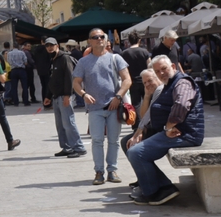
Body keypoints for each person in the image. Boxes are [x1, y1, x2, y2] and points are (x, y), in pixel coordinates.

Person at [126, 55, 204, 205]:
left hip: (186, 134)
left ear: (173, 67)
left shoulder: (182, 83)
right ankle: (162, 186)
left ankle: (154, 193)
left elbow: (181, 105)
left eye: (164, 69)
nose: (161, 73)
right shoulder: (169, 83)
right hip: (174, 131)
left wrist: (168, 127)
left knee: (136, 153)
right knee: (130, 145)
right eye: (158, 71)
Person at [73, 28, 132, 185]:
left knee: (113, 141)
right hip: (94, 108)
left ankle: (112, 170)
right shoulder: (83, 62)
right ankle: (99, 171)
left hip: (114, 106)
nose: (99, 39)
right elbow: (76, 82)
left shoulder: (115, 58)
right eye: (95, 37)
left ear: (106, 40)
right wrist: (84, 94)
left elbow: (127, 80)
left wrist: (118, 97)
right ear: (90, 41)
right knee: (97, 140)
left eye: (102, 37)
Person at [46, 37, 85, 158]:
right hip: (56, 96)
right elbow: (52, 79)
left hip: (64, 96)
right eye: (47, 46)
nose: (50, 47)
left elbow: (69, 77)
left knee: (68, 122)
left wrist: (68, 95)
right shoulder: (53, 59)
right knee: (60, 124)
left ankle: (78, 147)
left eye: (52, 45)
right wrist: (48, 95)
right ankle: (66, 147)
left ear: (57, 45)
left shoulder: (64, 58)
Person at [122, 69, 163, 156]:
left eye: (150, 80)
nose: (147, 84)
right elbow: (143, 115)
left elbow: (148, 115)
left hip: (162, 130)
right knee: (126, 142)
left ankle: (145, 167)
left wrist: (138, 133)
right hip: (154, 128)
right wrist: (147, 96)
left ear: (158, 78)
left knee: (131, 147)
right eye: (145, 83)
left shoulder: (160, 90)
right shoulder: (152, 92)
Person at [121, 34, 152, 109]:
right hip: (145, 81)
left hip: (132, 82)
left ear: (129, 41)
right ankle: (149, 119)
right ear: (139, 40)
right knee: (149, 102)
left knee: (136, 105)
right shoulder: (144, 52)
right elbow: (150, 67)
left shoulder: (124, 53)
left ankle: (138, 120)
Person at [5, 41, 28, 106]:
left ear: (13, 46)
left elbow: (9, 62)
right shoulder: (22, 52)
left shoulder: (9, 53)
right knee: (25, 87)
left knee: (14, 87)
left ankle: (16, 102)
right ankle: (26, 101)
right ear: (18, 46)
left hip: (14, 70)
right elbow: (26, 62)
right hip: (22, 70)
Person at [32, 39, 53, 107]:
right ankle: (48, 101)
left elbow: (34, 59)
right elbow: (50, 59)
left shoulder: (36, 49)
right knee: (48, 86)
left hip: (40, 70)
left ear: (41, 41)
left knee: (43, 86)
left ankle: (44, 100)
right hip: (47, 69)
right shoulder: (47, 49)